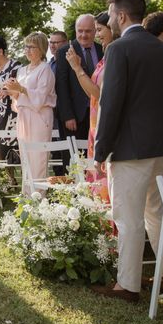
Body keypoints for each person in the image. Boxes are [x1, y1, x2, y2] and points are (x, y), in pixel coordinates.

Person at [93, 0, 163, 302]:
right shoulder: (160, 49)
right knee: (156, 213)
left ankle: (127, 285)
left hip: (129, 149)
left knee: (128, 217)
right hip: (158, 147)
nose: (109, 20)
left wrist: (100, 150)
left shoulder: (119, 49)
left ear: (121, 15)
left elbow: (111, 103)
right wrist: (161, 122)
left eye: (110, 14)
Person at [65, 12, 114, 200]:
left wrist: (77, 69)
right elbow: (93, 93)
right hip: (95, 121)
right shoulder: (106, 53)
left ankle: (111, 226)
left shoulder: (111, 54)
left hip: (102, 119)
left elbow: (99, 94)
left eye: (99, 30)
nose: (97, 35)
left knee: (105, 178)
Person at [4, 32, 56, 194]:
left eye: (31, 47)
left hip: (39, 117)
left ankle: (39, 199)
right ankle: (27, 196)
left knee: (38, 158)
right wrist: (10, 92)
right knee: (26, 157)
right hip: (24, 117)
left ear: (41, 49)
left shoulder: (45, 69)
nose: (27, 50)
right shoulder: (22, 70)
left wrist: (21, 89)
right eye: (26, 46)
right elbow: (18, 99)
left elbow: (40, 98)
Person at [55, 14, 103, 167]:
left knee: (94, 157)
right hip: (75, 116)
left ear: (95, 31)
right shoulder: (64, 52)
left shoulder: (103, 49)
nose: (83, 35)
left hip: (98, 114)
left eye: (88, 31)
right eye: (80, 31)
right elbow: (61, 86)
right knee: (74, 161)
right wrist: (68, 115)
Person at [48, 30, 68, 176]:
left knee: (67, 157)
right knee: (55, 157)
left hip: (66, 116)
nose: (53, 45)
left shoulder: (69, 62)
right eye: (51, 42)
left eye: (56, 42)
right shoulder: (48, 65)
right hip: (52, 118)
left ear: (65, 43)